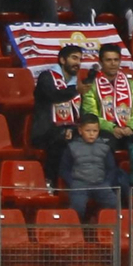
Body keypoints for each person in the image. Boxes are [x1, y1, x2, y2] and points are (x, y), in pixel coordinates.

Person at [31, 43, 86, 174]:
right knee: (61, 141)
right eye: (74, 58)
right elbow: (54, 95)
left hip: (69, 130)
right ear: (62, 60)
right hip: (46, 131)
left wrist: (72, 129)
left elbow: (79, 112)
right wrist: (76, 90)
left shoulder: (77, 83)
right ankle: (51, 181)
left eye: (80, 59)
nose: (77, 62)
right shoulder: (46, 77)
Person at [60, 113, 126, 215]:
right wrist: (72, 183)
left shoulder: (105, 147)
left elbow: (111, 168)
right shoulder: (71, 147)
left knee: (115, 204)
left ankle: (109, 229)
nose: (91, 134)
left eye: (95, 131)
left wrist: (107, 183)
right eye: (88, 131)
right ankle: (78, 230)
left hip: (101, 184)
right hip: (79, 185)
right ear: (80, 130)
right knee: (78, 207)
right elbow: (64, 169)